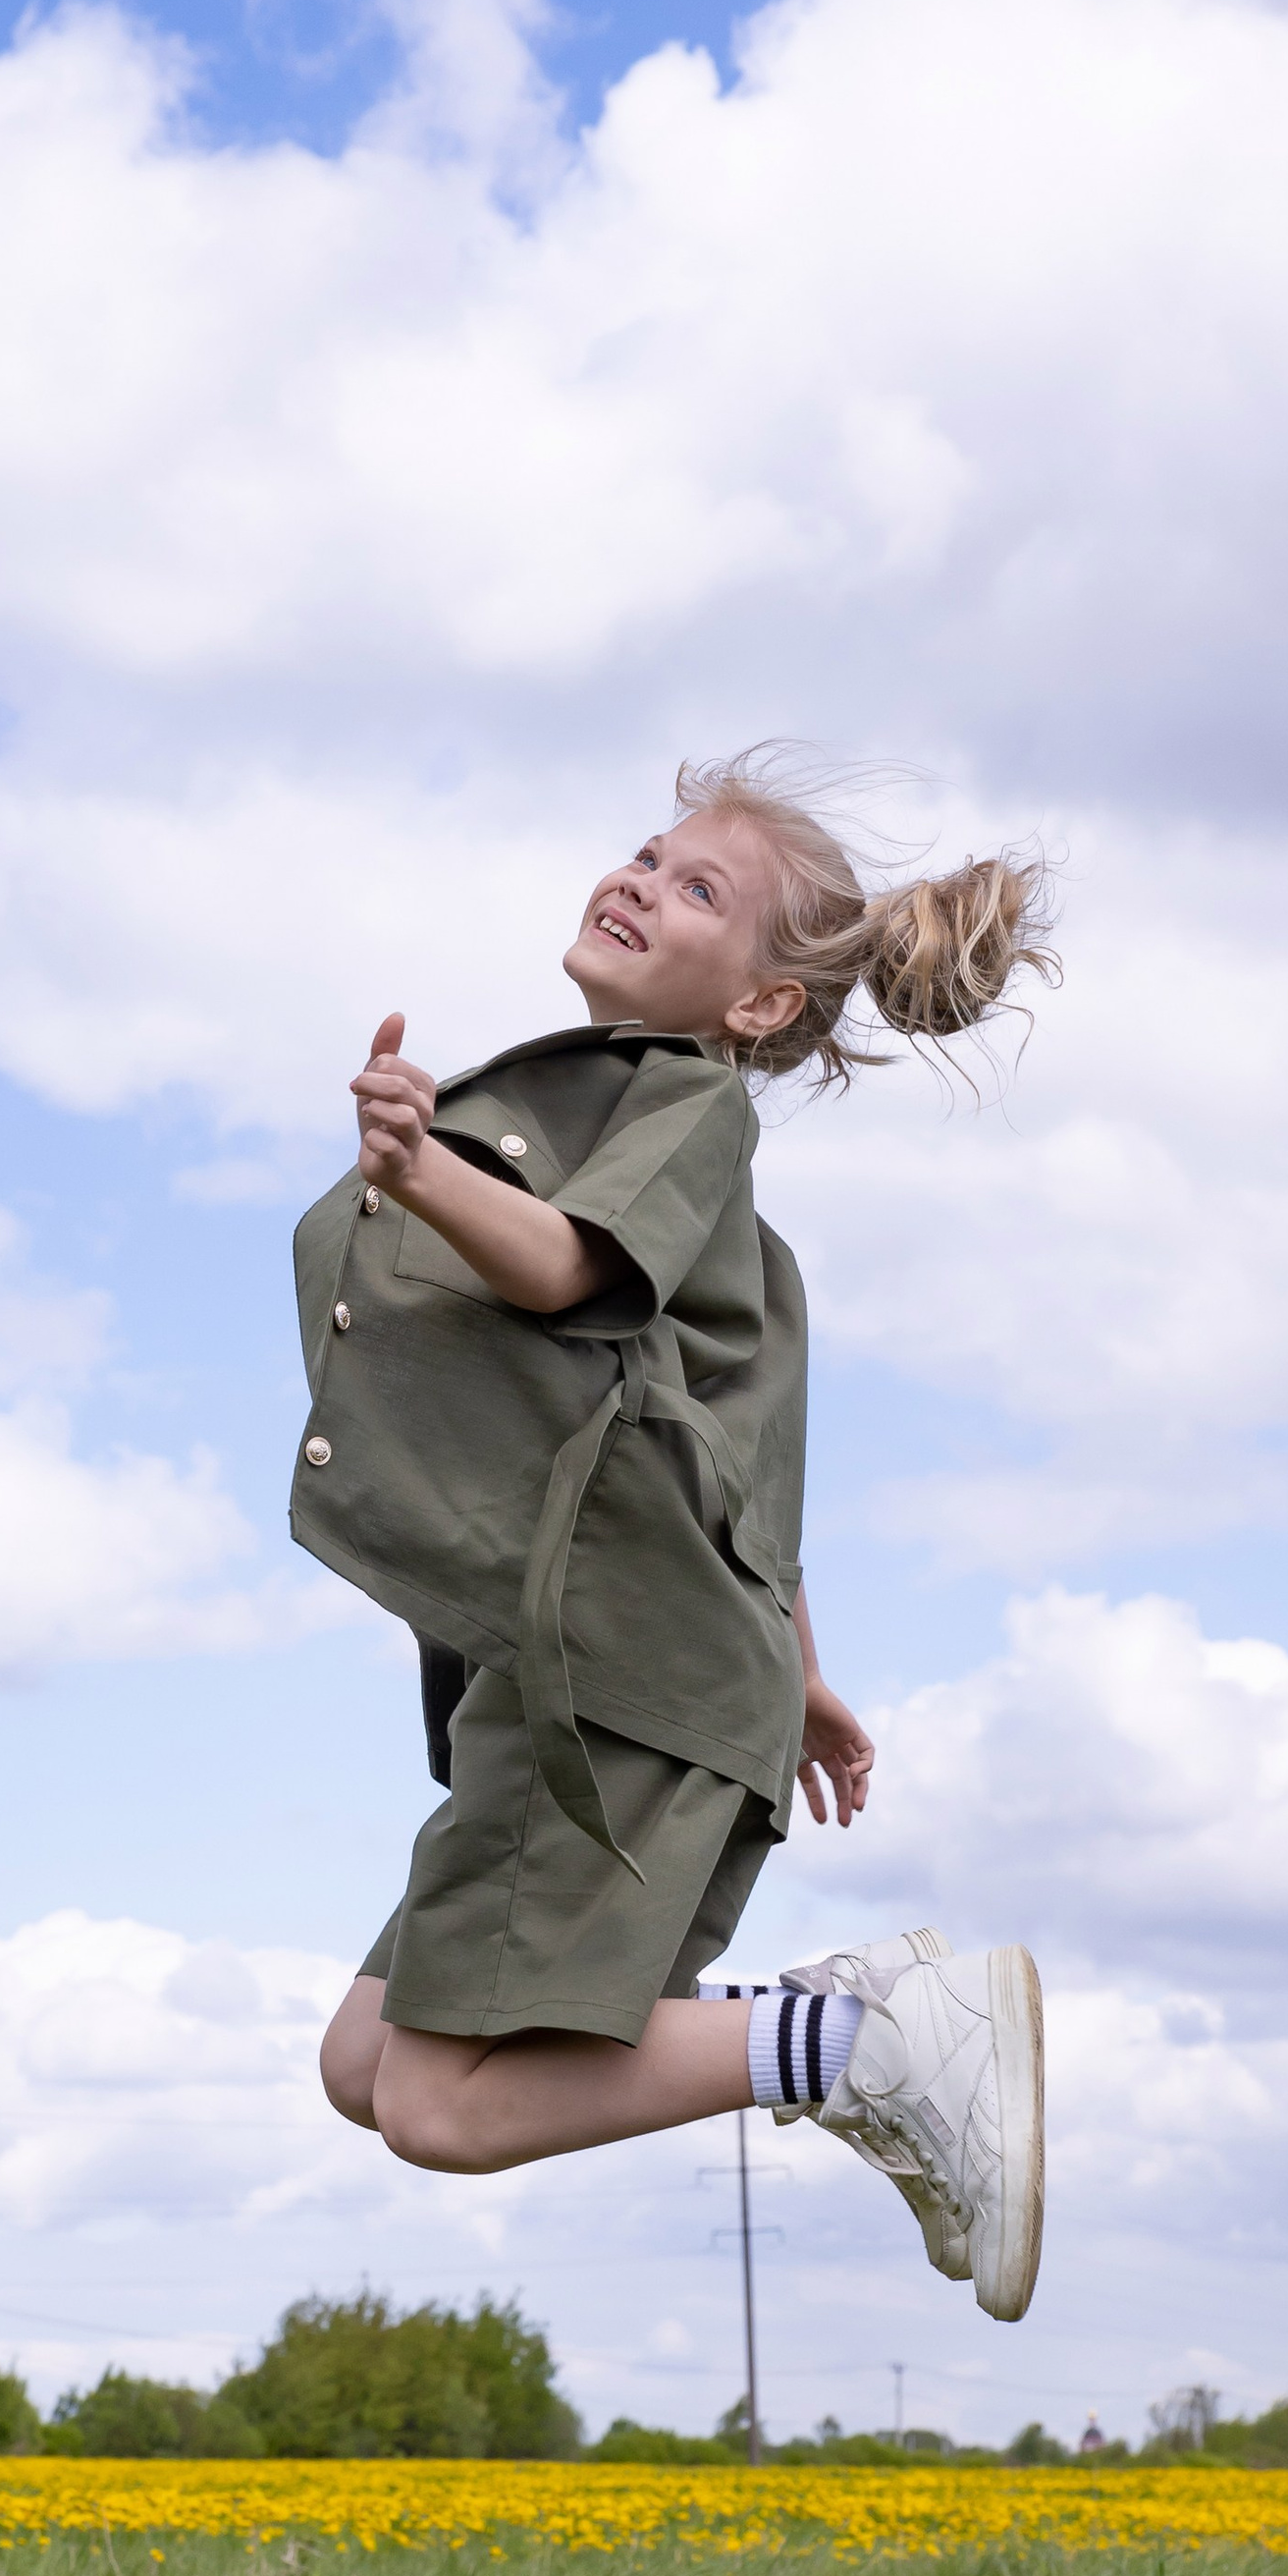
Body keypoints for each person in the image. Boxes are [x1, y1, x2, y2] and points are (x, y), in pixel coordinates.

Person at [301, 752, 1056, 2320]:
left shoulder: (683, 1101)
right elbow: (751, 1472)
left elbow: (565, 1267)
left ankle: (858, 2044)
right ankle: (834, 2035)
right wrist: (804, 1673)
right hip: (639, 1670)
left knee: (441, 2104)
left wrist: (423, 1167)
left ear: (764, 1007)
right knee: (366, 2061)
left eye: (697, 885)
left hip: (622, 1680)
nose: (642, 878)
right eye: (646, 853)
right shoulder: (739, 1241)